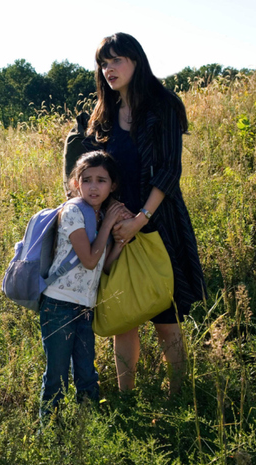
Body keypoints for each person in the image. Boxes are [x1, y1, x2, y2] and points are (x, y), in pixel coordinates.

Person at [64, 32, 206, 394]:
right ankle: (127, 397)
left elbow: (169, 171)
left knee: (166, 315)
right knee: (123, 313)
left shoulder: (163, 106)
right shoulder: (103, 115)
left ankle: (179, 396)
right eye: (103, 63)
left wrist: (139, 219)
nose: (109, 69)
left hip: (158, 221)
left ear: (136, 61)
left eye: (116, 60)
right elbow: (94, 176)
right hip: (113, 226)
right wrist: (113, 220)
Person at [39, 151, 125, 420]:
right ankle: (50, 432)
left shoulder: (99, 217)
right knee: (57, 374)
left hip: (85, 307)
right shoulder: (73, 211)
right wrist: (110, 223)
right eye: (86, 179)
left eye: (101, 180)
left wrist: (120, 240)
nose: (93, 186)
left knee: (87, 373)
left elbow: (105, 266)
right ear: (75, 183)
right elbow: (89, 260)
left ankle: (89, 430)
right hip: (59, 305)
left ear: (113, 186)